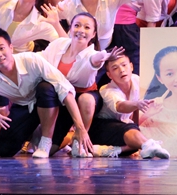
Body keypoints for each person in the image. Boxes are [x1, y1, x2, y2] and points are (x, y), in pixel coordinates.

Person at [0, 28, 94, 158]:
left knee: (45, 87)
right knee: (3, 149)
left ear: (11, 48)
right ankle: (35, 135)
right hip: (25, 108)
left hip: (52, 105)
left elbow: (65, 89)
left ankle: (45, 142)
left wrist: (80, 128)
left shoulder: (31, 60)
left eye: (1, 48)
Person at [39, 12, 124, 156]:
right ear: (70, 29)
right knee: (50, 149)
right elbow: (40, 60)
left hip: (85, 97)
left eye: (87, 27)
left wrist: (105, 56)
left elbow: (95, 59)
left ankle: (79, 141)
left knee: (86, 99)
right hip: (62, 99)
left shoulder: (92, 54)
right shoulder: (58, 45)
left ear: (93, 34)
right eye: (77, 25)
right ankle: (51, 141)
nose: (81, 30)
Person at [87, 53, 170, 158]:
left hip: (122, 126)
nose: (121, 70)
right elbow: (120, 106)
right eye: (115, 68)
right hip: (101, 127)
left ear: (131, 66)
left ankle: (116, 150)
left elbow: (136, 109)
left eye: (124, 65)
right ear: (109, 75)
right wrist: (136, 104)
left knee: (136, 132)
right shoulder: (107, 90)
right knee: (130, 131)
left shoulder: (136, 80)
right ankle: (149, 146)